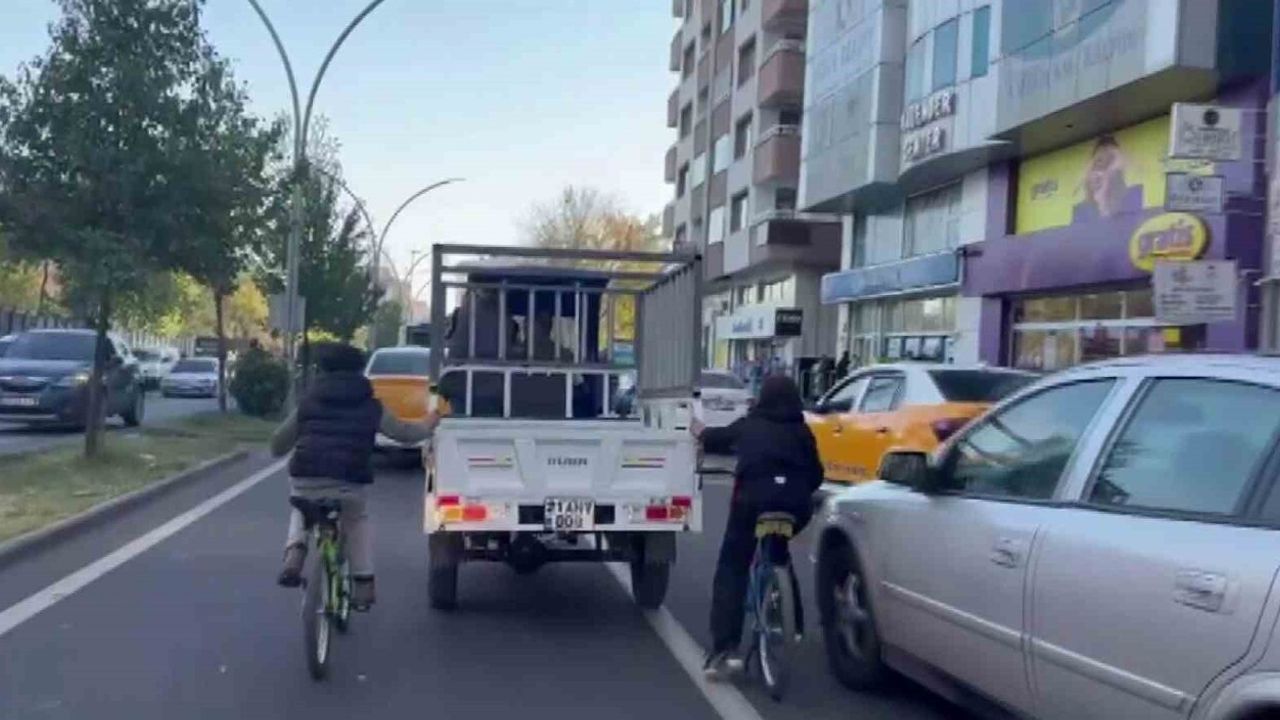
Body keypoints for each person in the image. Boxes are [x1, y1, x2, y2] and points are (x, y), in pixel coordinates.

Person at [271, 342, 440, 609]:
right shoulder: (371, 404)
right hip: (349, 479)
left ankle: (295, 552)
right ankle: (363, 584)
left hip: (306, 474)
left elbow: (277, 444)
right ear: (360, 371)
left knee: (301, 505)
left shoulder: (308, 402)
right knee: (355, 520)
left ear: (322, 370)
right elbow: (405, 435)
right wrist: (430, 422)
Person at [690, 375, 824, 680]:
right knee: (779, 551)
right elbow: (817, 475)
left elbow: (714, 438)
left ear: (762, 398)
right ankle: (794, 625)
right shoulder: (803, 432)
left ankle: (725, 649)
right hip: (794, 508)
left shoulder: (750, 424)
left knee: (733, 566)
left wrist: (698, 429)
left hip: (751, 506)